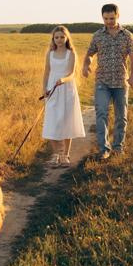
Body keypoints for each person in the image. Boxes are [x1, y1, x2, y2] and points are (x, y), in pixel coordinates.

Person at [82, 3, 133, 159]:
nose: (109, 21)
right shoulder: (97, 35)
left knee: (121, 116)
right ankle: (104, 149)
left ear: (118, 16)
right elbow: (89, 54)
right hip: (102, 81)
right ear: (102, 17)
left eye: (112, 18)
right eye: (106, 18)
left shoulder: (127, 35)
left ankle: (118, 147)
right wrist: (86, 65)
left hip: (121, 82)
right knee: (101, 114)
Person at [41, 25, 85, 167]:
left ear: (67, 38)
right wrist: (44, 89)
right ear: (53, 39)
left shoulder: (70, 53)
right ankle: (56, 155)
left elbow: (72, 73)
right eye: (56, 37)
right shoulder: (50, 53)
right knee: (52, 121)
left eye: (62, 37)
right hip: (52, 90)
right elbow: (47, 72)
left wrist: (63, 80)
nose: (59, 40)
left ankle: (65, 154)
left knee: (67, 121)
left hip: (66, 89)